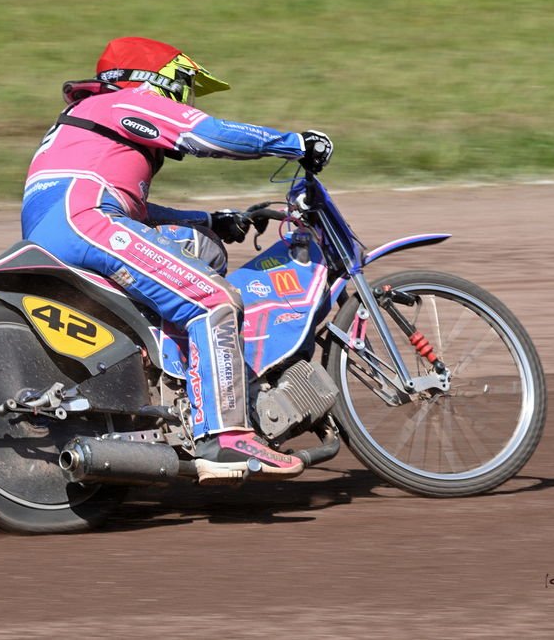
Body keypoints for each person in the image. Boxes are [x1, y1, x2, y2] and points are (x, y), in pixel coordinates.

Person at [21, 37, 333, 483]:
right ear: (156, 80)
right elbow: (208, 134)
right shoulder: (125, 101)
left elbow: (130, 208)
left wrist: (209, 220)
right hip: (85, 221)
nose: (186, 100)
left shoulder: (90, 119)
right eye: (184, 86)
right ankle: (225, 438)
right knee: (212, 300)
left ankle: (175, 383)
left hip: (67, 227)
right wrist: (294, 143)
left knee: (203, 247)